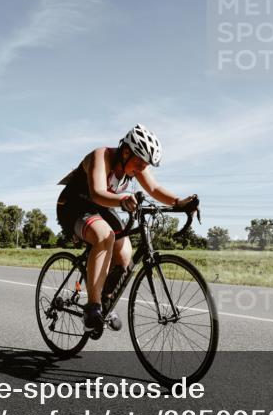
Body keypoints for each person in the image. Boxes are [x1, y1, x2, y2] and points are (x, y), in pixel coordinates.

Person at [56, 124, 197, 333]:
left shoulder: (136, 164)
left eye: (145, 165)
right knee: (104, 236)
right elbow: (97, 193)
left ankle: (105, 303)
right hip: (73, 205)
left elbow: (154, 188)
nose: (141, 169)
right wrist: (123, 200)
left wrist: (179, 202)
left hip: (100, 207)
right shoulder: (101, 156)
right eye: (139, 163)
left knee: (125, 254)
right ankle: (92, 309)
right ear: (125, 152)